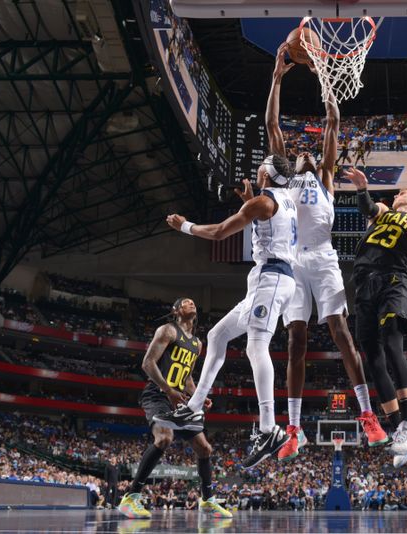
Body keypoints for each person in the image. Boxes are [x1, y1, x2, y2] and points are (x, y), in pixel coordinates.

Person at [261, 42, 387, 461]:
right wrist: (277, 79)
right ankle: (293, 428)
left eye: (308, 153)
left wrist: (326, 78)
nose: (304, 153)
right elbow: (272, 125)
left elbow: (333, 121)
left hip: (325, 256)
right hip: (292, 259)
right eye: (298, 153)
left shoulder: (327, 177)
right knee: (296, 340)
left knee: (340, 333)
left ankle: (368, 416)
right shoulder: (284, 178)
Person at [154, 155, 298, 469]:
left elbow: (220, 232)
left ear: (265, 173)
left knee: (256, 345)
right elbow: (268, 218)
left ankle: (269, 427)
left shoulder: (264, 202)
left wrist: (185, 227)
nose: (257, 167)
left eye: (261, 165)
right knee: (217, 335)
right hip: (272, 279)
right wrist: (250, 201)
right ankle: (193, 407)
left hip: (271, 279)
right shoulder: (283, 199)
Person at [344, 166, 407, 468]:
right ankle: (400, 430)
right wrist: (362, 189)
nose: (397, 194)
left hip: (392, 281)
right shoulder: (381, 212)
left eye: (402, 193)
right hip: (364, 285)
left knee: (393, 345)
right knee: (373, 359)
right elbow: (368, 206)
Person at [118, 298, 231, 519]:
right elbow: (147, 363)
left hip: (178, 400)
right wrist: (168, 390)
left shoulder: (197, 344)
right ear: (176, 310)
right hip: (157, 394)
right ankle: (130, 498)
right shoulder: (168, 330)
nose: (192, 304)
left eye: (193, 302)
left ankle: (207, 501)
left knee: (204, 448)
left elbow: (187, 375)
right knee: (164, 438)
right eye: (186, 302)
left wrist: (199, 395)